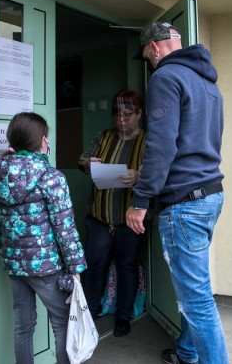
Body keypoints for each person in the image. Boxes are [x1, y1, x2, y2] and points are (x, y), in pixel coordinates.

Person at [125, 22, 228, 364]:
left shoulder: (165, 78)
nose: (149, 63)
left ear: (154, 48)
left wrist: (140, 200)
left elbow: (160, 144)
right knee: (192, 287)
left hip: (184, 203)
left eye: (146, 57)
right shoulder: (209, 84)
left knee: (197, 300)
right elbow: (198, 141)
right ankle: (186, 352)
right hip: (210, 194)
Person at [0, 112, 86, 364]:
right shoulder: (51, 177)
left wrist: (5, 250)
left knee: (23, 325)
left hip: (14, 265)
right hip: (46, 267)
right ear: (43, 141)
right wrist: (76, 266)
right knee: (62, 322)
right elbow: (64, 228)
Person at [78, 89, 146, 338]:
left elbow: (156, 174)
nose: (122, 120)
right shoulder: (104, 136)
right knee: (94, 265)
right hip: (99, 216)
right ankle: (90, 311)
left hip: (128, 219)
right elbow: (83, 160)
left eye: (128, 115)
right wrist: (88, 164)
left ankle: (123, 316)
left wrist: (139, 176)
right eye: (117, 115)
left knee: (127, 266)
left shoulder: (147, 140)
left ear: (139, 114)